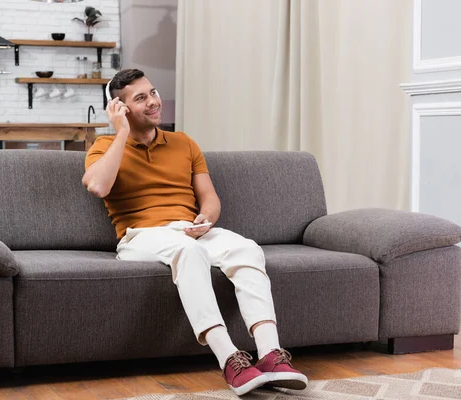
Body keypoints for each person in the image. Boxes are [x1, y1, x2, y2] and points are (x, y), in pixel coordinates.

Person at [83, 69, 308, 396]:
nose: (153, 102)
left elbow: (210, 198)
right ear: (121, 108)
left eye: (153, 93)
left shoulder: (183, 143)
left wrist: (206, 218)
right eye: (141, 98)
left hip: (191, 230)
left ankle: (271, 354)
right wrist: (120, 133)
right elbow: (99, 186)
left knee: (247, 249)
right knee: (189, 253)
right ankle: (230, 360)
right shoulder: (104, 146)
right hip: (142, 236)